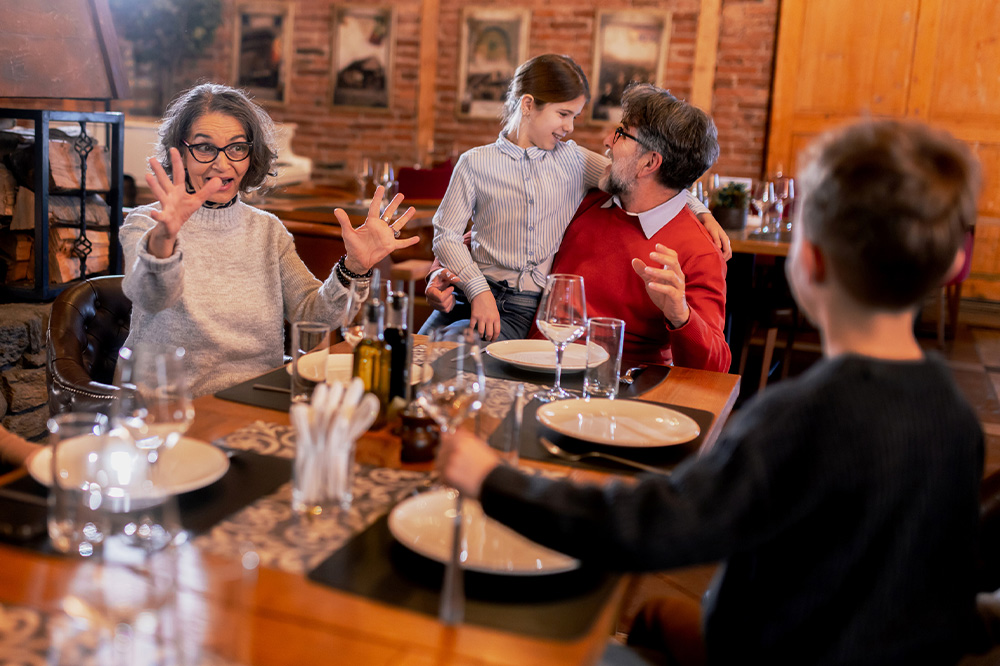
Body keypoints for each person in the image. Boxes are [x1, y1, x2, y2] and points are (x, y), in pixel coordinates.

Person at [438, 119, 984, 664]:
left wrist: (494, 481)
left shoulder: (798, 419)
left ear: (810, 261)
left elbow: (649, 528)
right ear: (955, 262)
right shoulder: (955, 416)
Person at [120, 83, 418, 397]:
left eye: (236, 147)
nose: (222, 164)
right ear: (180, 153)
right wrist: (165, 239)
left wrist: (353, 267)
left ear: (251, 155)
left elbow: (311, 317)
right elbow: (151, 298)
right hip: (172, 404)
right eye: (205, 148)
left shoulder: (267, 231)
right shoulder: (147, 221)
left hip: (258, 395)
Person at [422, 54, 729, 343]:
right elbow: (450, 235)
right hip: (468, 290)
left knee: (450, 354)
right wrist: (456, 281)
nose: (571, 128)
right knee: (414, 353)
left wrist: (700, 210)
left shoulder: (574, 162)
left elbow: (658, 180)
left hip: (521, 309)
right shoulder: (476, 163)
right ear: (527, 104)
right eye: (563, 114)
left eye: (575, 116)